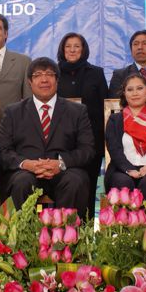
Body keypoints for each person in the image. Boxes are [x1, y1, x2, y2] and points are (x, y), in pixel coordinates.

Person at [0, 57, 95, 216]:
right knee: (21, 182)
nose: (44, 79)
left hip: (64, 171)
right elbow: (3, 151)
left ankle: (66, 232)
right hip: (26, 172)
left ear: (57, 80)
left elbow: (87, 150)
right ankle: (22, 232)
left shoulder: (77, 111)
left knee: (75, 182)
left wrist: (61, 163)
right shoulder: (13, 112)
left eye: (49, 74)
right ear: (29, 82)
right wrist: (26, 164)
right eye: (37, 75)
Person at [57, 32, 108, 216]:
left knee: (88, 186)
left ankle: (86, 227)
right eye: (68, 46)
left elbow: (104, 108)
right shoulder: (53, 73)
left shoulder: (96, 73)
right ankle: (59, 226)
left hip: (90, 141)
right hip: (60, 142)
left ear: (83, 49)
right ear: (62, 50)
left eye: (77, 46)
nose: (72, 50)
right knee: (64, 186)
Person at [104, 73, 146, 210]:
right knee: (123, 182)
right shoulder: (114, 120)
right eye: (130, 89)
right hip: (122, 170)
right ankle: (124, 223)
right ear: (124, 93)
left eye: (139, 88)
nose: (135, 93)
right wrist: (130, 169)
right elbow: (115, 151)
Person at [108, 30, 146, 99]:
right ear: (131, 50)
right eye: (136, 44)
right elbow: (114, 103)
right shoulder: (119, 75)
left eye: (145, 43)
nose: (140, 47)